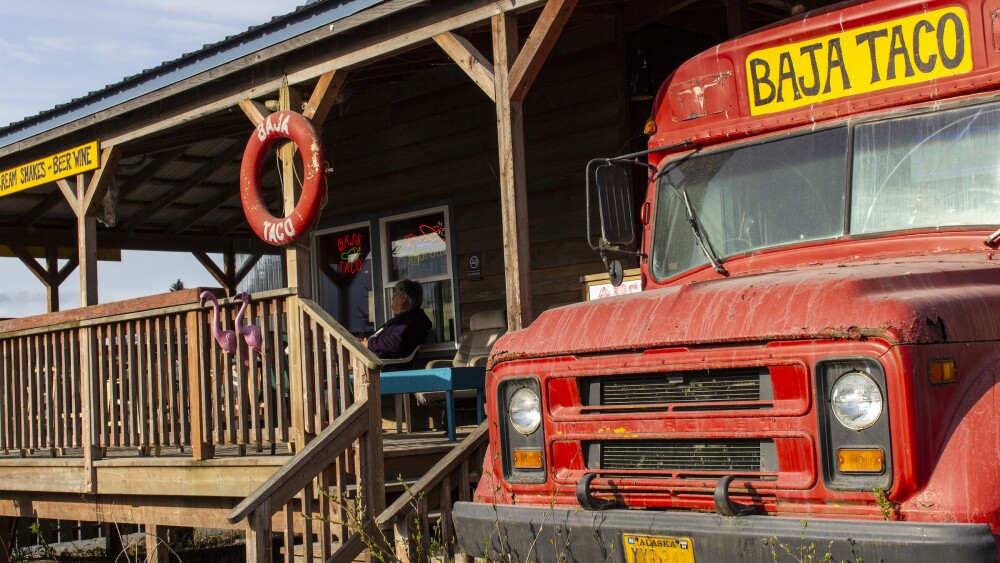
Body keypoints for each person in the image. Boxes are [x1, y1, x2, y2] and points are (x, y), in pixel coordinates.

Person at [365, 279, 431, 369]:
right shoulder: (401, 319)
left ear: (403, 297)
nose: (392, 298)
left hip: (385, 368)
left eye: (395, 294)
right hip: (373, 362)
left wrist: (369, 344)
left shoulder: (415, 321)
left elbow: (397, 342)